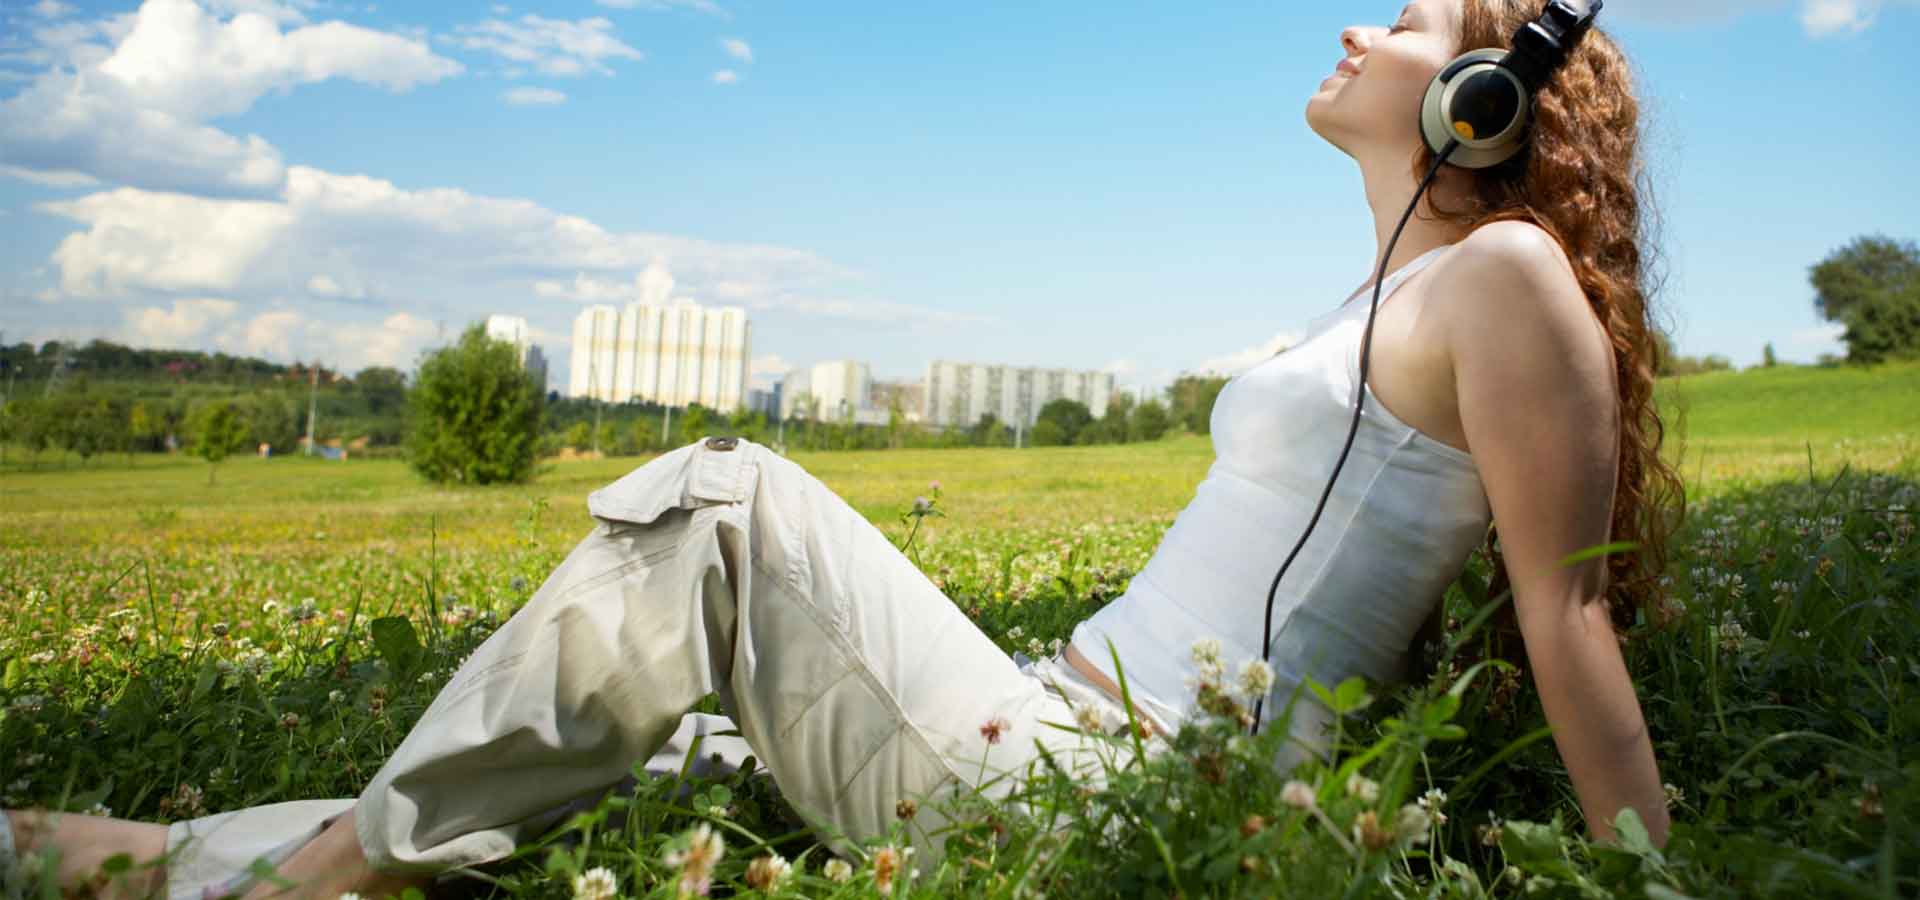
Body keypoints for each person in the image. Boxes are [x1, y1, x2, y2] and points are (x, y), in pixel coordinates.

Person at [2, 1, 1683, 896]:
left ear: (1485, 93)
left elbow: (1571, 614)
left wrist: (1653, 888)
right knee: (570, 791)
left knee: (728, 502)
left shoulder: (1508, 279)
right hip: (1038, 718)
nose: (1350, 31)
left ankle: (315, 887)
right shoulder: (1376, 294)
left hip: (1116, 793)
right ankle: (141, 863)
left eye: (1403, 18)